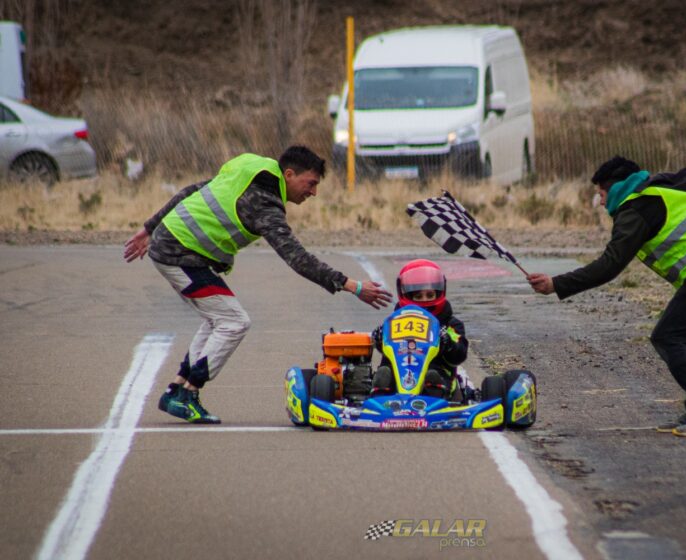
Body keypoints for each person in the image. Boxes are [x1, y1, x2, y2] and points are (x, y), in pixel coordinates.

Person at [124, 146, 393, 424]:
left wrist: (150, 227)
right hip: (179, 254)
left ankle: (177, 390)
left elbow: (192, 190)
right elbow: (297, 258)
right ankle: (187, 394)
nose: (313, 192)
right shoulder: (265, 203)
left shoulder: (251, 164)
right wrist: (353, 286)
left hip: (179, 248)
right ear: (289, 174)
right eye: (310, 184)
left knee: (218, 319)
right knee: (234, 322)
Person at [528, 156, 686, 437]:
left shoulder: (636, 208)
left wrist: (557, 284)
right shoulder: (668, 190)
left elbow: (609, 265)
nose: (601, 203)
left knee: (668, 336)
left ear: (615, 189)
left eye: (601, 194)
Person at [370, 259, 468, 401]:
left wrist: (448, 343)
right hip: (398, 376)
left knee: (432, 375)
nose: (424, 300)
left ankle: (433, 399)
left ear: (439, 293)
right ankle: (379, 401)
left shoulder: (450, 324)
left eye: (429, 295)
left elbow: (460, 355)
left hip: (438, 376)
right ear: (407, 296)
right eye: (418, 296)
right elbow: (387, 351)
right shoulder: (394, 322)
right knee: (384, 373)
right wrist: (379, 339)